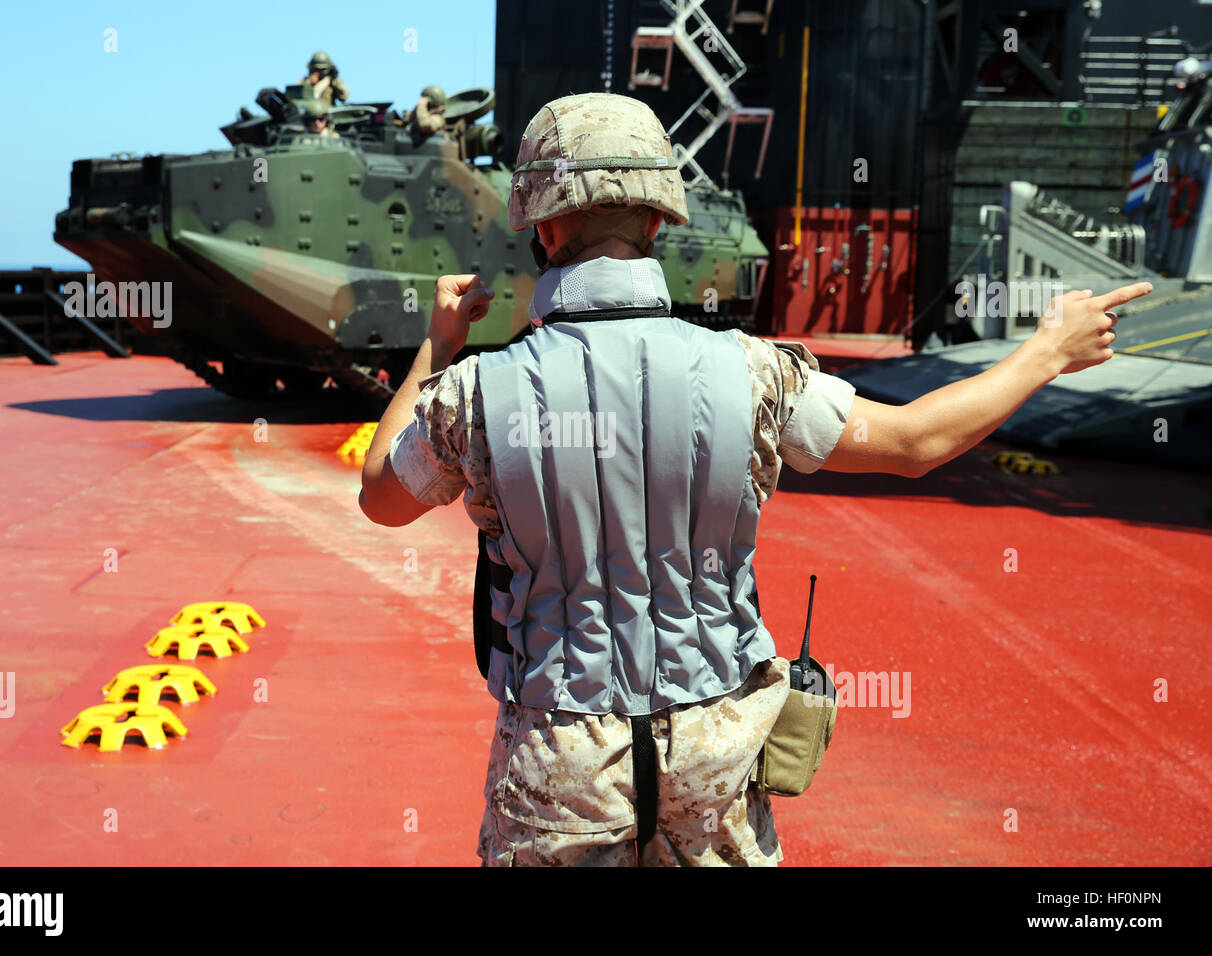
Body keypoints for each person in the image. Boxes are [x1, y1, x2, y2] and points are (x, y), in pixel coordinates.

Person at [358, 92, 1151, 866]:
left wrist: (439, 346)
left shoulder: (475, 396)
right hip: (715, 756)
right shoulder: (752, 374)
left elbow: (380, 498)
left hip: (556, 761)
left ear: (543, 223)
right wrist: (1048, 351)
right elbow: (918, 440)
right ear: (660, 218)